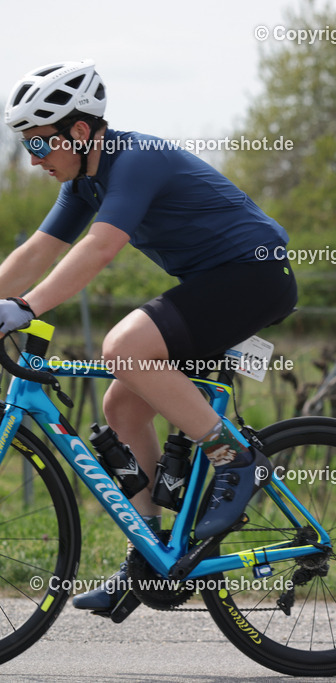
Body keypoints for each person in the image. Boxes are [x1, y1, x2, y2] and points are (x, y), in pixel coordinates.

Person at [0, 60, 297, 620]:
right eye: (26, 144)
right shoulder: (84, 180)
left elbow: (101, 247)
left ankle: (237, 459)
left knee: (124, 348)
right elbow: (37, 251)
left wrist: (26, 306)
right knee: (120, 408)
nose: (34, 157)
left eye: (39, 141)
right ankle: (150, 559)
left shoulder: (135, 159)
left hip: (254, 274)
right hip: (217, 282)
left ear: (80, 131)